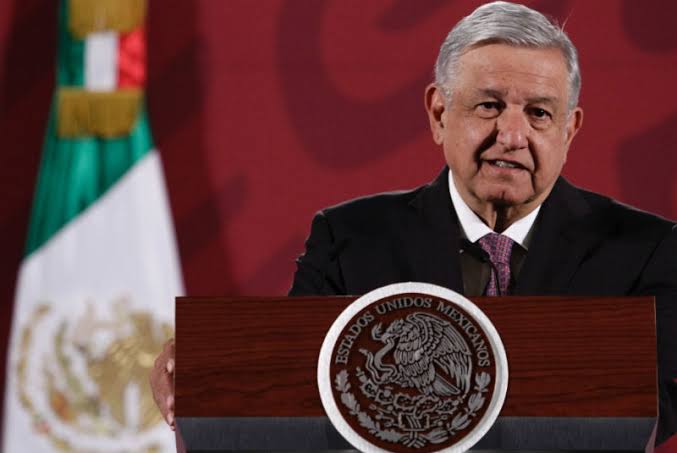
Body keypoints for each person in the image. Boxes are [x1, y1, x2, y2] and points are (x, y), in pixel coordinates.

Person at [150, 1, 677, 448]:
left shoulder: (647, 250)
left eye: (539, 113)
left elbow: (656, 406)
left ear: (570, 129)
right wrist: (204, 370)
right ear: (439, 113)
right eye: (489, 106)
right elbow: (292, 377)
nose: (512, 135)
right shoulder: (348, 238)